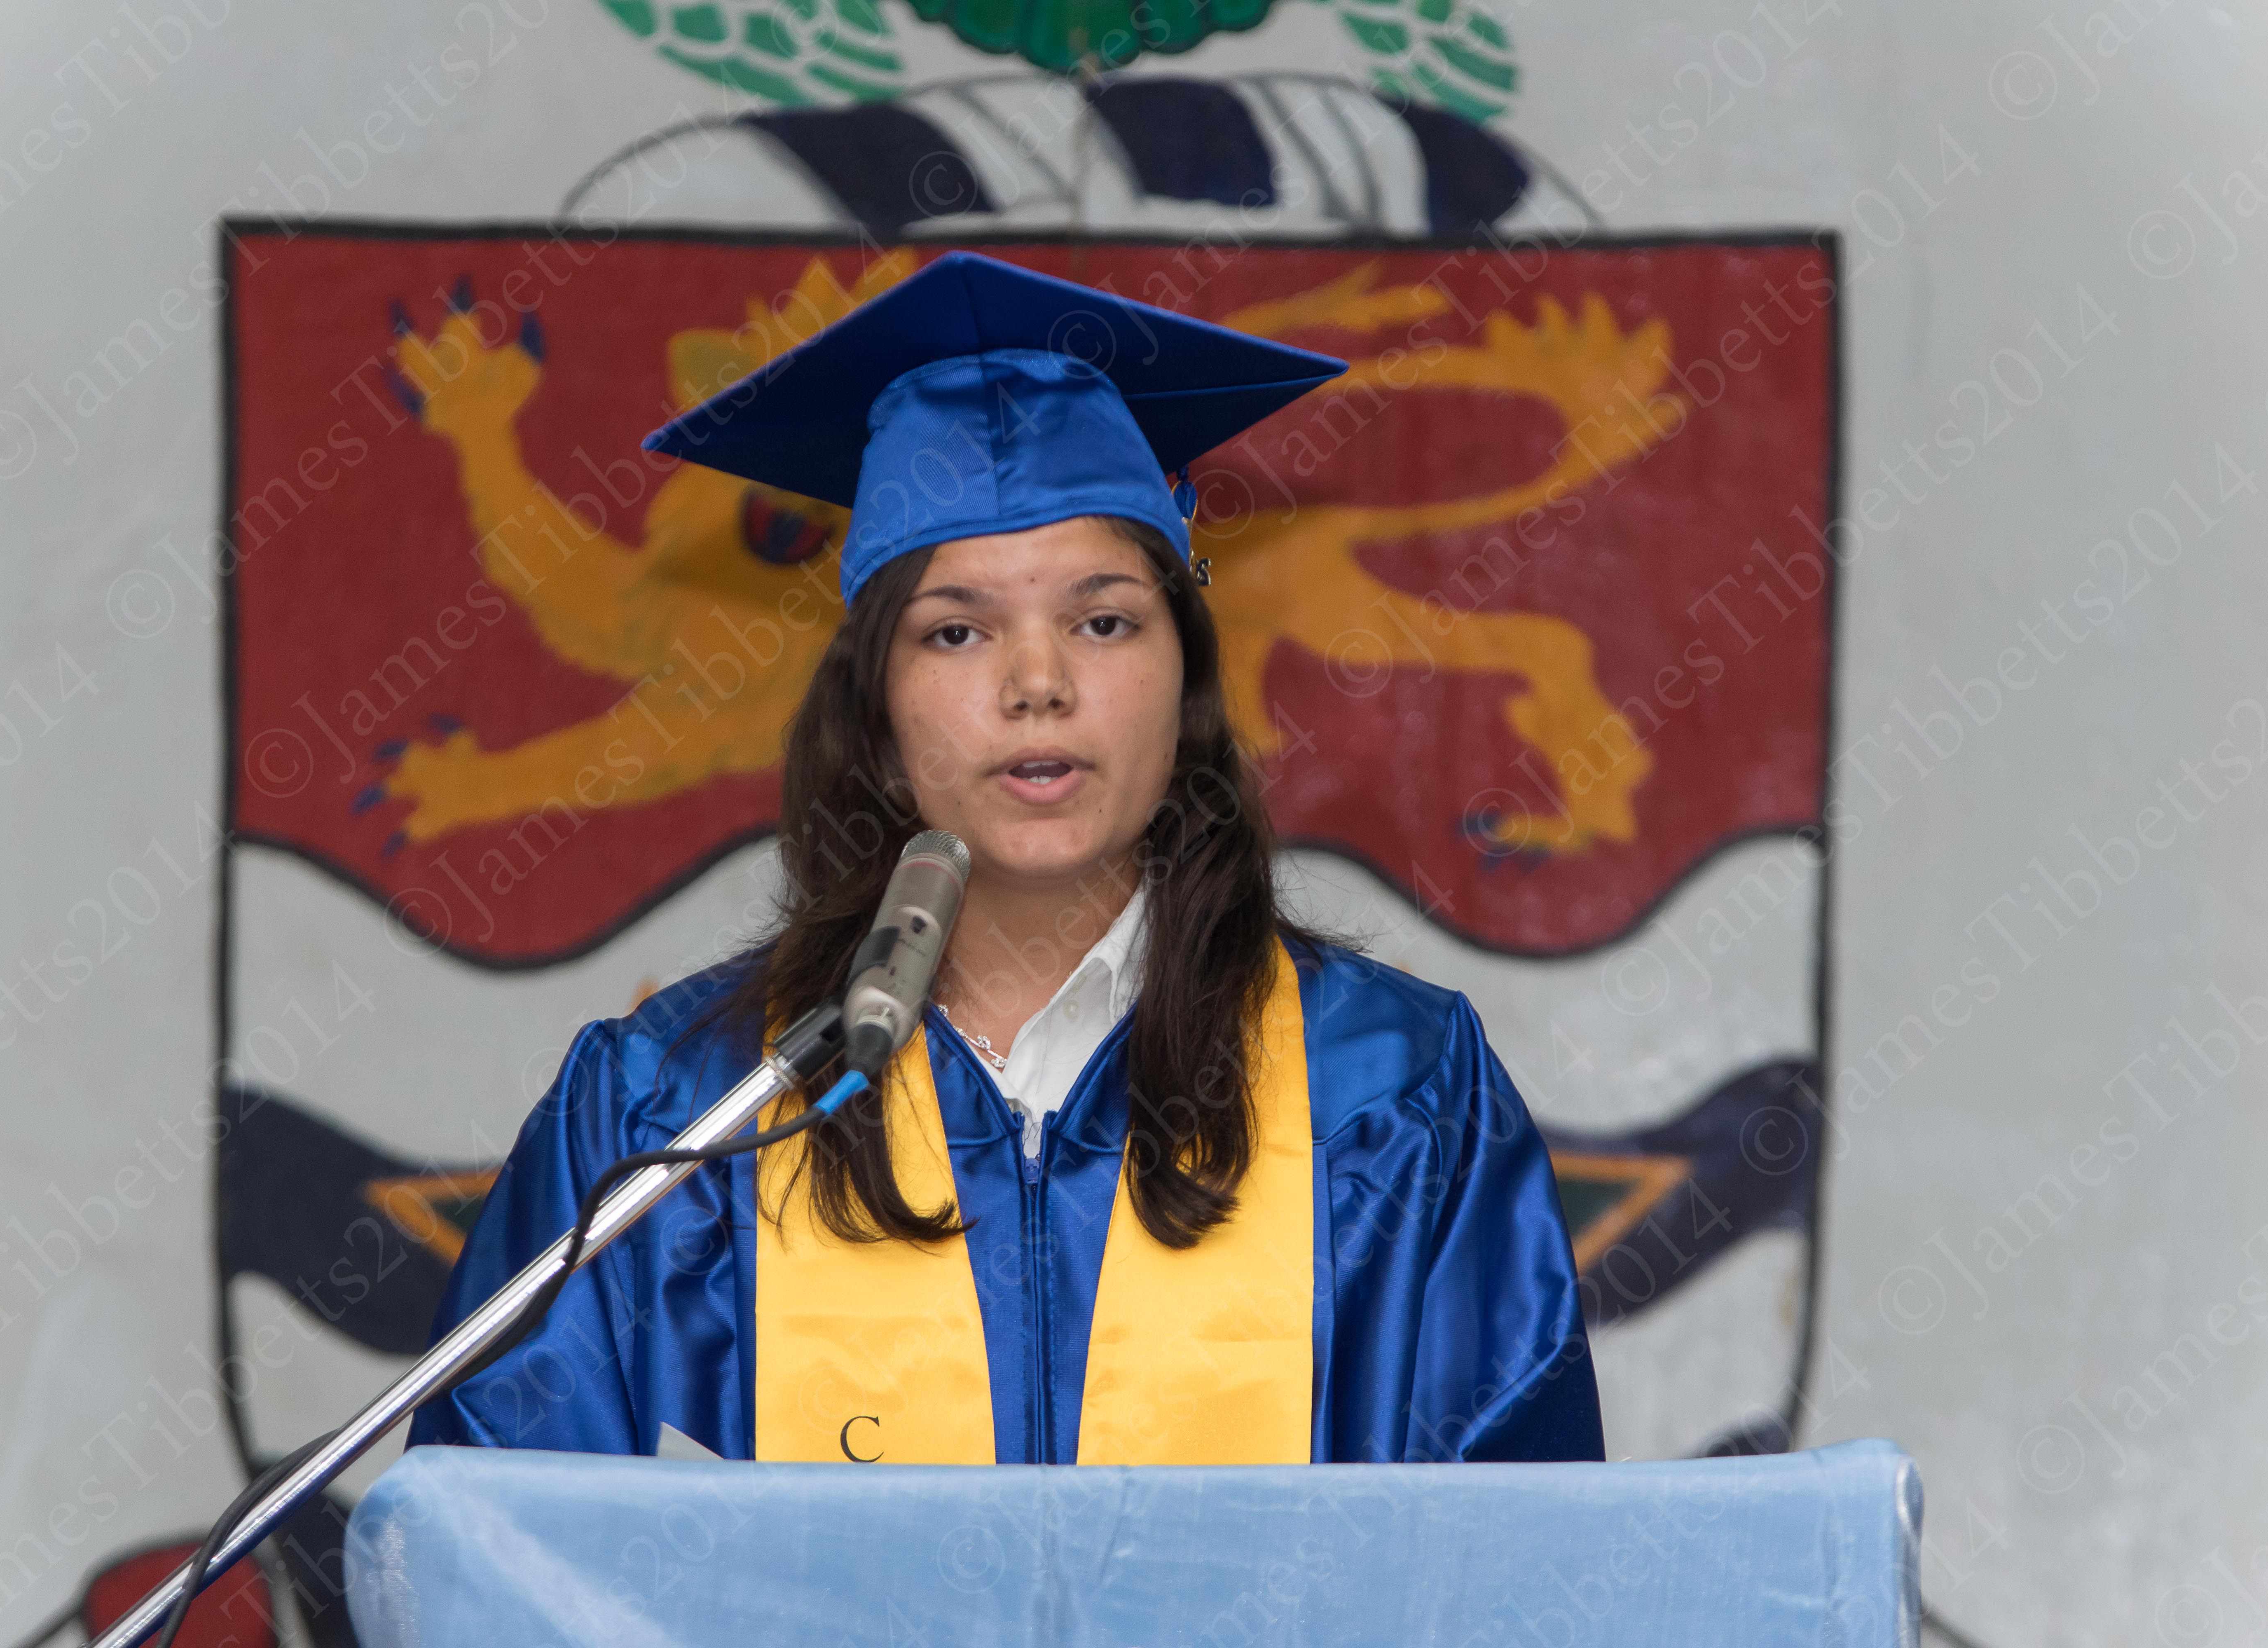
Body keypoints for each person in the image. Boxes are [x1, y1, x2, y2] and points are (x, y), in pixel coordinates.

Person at [407, 251, 1603, 1465]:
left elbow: (1512, 1545)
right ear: (878, 707)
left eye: (1103, 621)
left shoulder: (1391, 1095)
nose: (1038, 683)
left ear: (1185, 679)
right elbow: (508, 1534)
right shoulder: (678, 1119)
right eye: (957, 632)